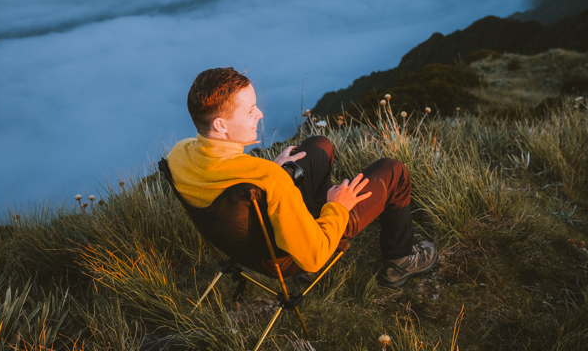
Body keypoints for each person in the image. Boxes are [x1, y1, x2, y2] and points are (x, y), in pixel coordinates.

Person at [166, 67, 437, 287]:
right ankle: (400, 261)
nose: (259, 114)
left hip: (244, 244)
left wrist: (269, 168)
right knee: (394, 171)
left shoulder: (178, 156)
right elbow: (313, 257)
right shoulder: (271, 179)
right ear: (221, 125)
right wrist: (336, 207)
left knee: (320, 145)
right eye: (250, 111)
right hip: (285, 257)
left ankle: (314, 215)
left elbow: (227, 181)